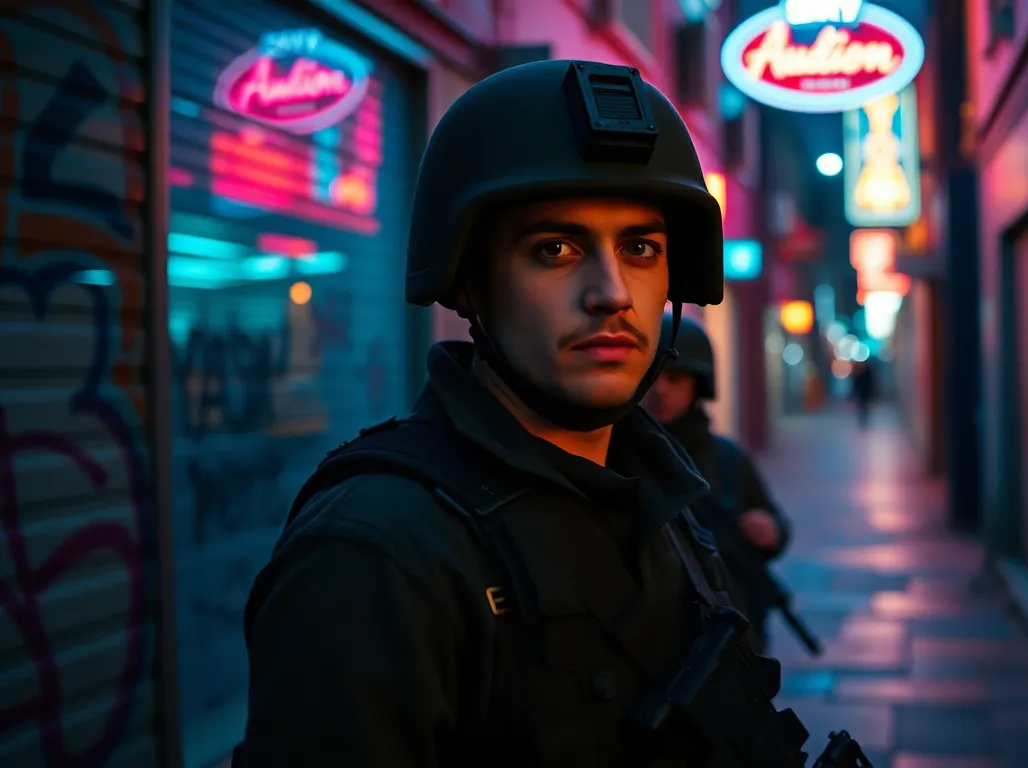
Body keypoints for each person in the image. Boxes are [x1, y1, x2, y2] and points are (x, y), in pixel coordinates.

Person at [231, 60, 793, 766]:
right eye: (555, 248)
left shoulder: (663, 500)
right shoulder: (377, 556)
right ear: (469, 282)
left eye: (640, 247)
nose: (612, 292)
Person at [642, 311, 792, 652]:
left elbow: (773, 522)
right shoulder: (620, 455)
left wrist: (770, 530)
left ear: (698, 383)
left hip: (730, 634)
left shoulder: (726, 458)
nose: (661, 389)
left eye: (676, 377)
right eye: (652, 376)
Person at [851, 359, 876, 427]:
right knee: (861, 406)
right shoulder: (858, 372)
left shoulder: (867, 372)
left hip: (866, 392)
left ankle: (864, 418)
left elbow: (871, 383)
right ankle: (862, 418)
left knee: (865, 406)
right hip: (861, 393)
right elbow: (855, 384)